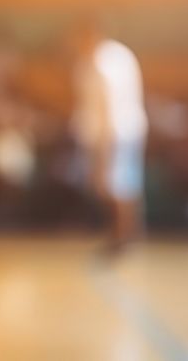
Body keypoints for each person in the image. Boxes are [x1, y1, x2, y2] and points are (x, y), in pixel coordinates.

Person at [70, 19, 147, 254]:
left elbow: (108, 109)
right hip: (123, 130)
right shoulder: (116, 55)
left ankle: (123, 235)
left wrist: (105, 146)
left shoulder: (104, 63)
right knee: (124, 183)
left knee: (117, 184)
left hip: (115, 132)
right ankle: (123, 234)